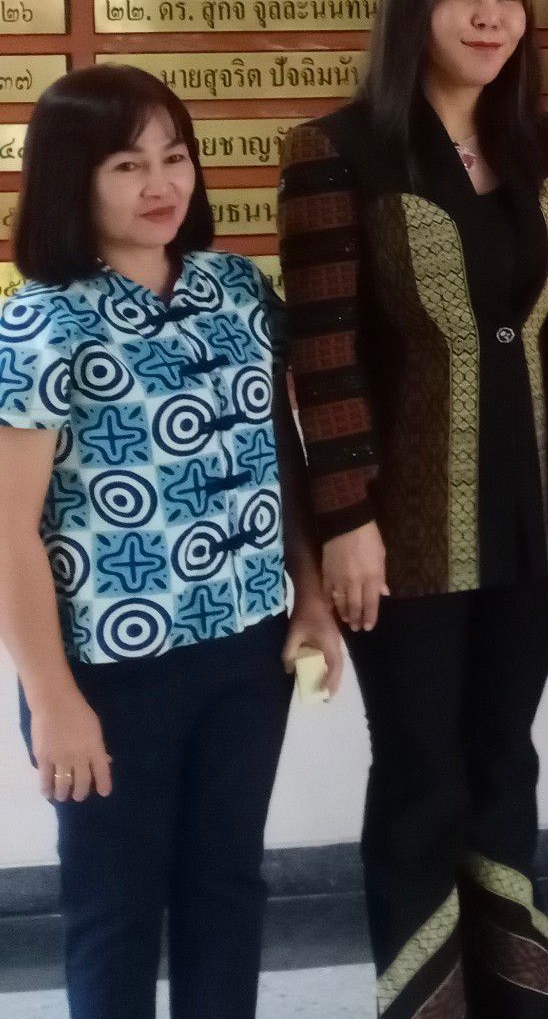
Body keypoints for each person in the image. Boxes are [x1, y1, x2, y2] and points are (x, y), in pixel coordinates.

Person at [279, 0, 548, 1018]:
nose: (490, 17)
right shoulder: (338, 150)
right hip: (402, 532)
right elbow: (322, 354)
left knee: (505, 757)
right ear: (415, 3)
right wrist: (346, 516)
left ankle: (519, 996)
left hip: (540, 518)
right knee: (420, 778)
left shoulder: (543, 148)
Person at [0, 66, 342, 1019]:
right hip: (109, 673)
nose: (162, 182)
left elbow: (284, 454)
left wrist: (310, 596)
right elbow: (7, 530)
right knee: (114, 910)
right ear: (75, 180)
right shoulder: (41, 321)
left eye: (175, 155)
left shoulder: (237, 289)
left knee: (228, 889)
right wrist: (51, 696)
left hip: (246, 652)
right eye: (127, 163)